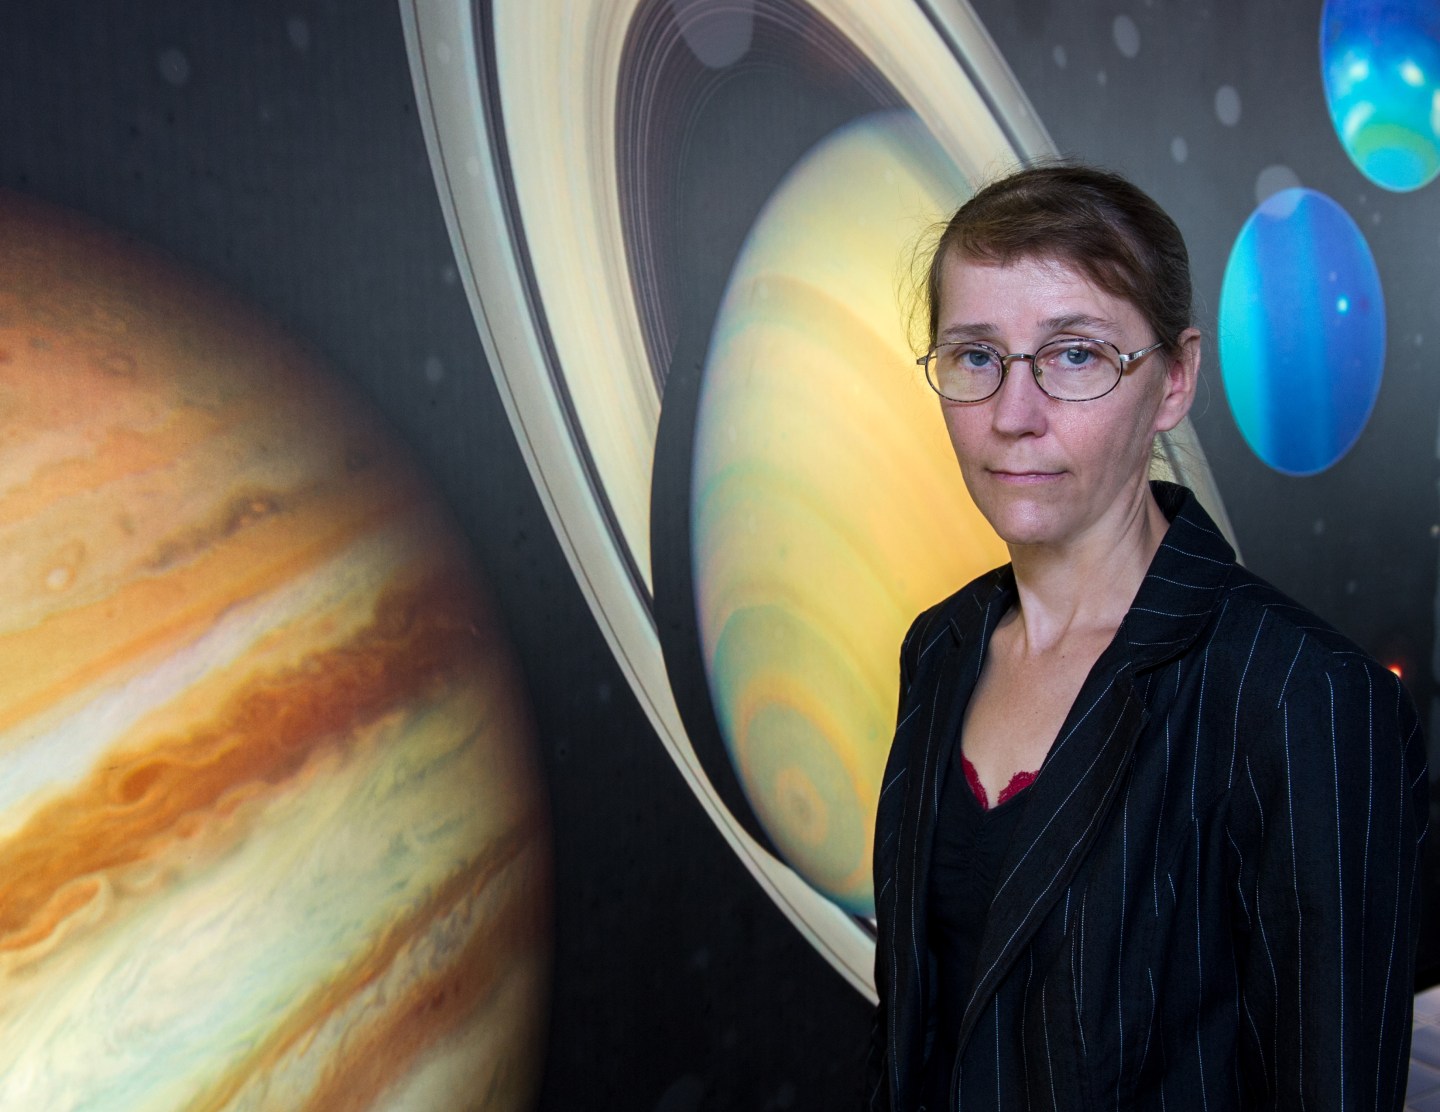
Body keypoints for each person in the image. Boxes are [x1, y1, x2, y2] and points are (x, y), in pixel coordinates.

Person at [867, 163, 1429, 1111]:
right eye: (975, 356)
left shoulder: (1305, 699)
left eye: (1075, 355)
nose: (1012, 415)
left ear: (1174, 380)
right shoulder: (940, 648)